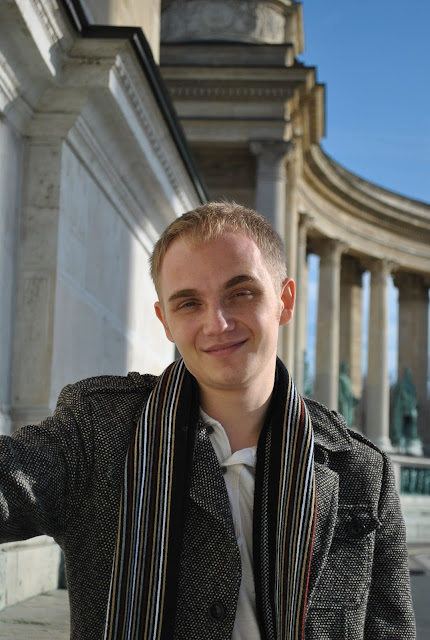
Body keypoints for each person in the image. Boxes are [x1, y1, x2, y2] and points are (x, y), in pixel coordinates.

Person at [0, 202, 415, 639]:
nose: (216, 324)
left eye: (241, 293)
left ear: (284, 300)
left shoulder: (363, 470)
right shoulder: (98, 428)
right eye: (189, 303)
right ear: (165, 321)